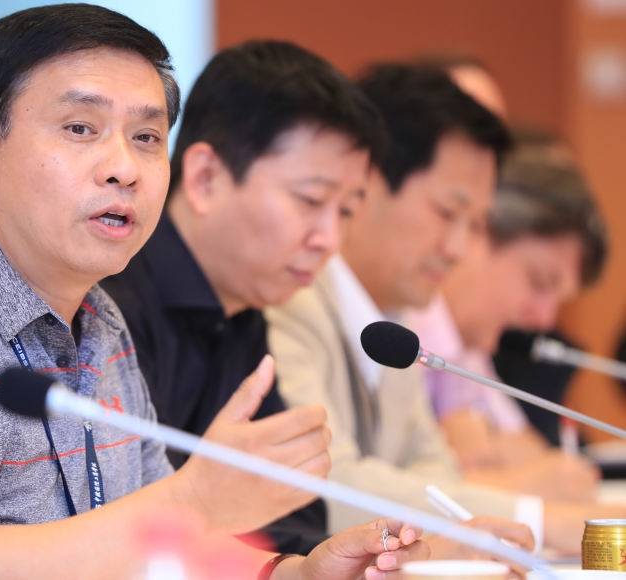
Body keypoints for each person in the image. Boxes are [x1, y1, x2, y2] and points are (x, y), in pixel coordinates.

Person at [0, 6, 436, 579]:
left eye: (146, 137)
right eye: (80, 128)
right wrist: (193, 502)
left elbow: (152, 548)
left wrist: (293, 573)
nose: (123, 168)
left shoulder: (97, 317)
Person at [266, 62, 623, 555]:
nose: (457, 248)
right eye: (447, 213)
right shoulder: (288, 299)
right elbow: (329, 485)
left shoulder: (397, 318)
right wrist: (540, 523)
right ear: (365, 183)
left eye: (473, 225)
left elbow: (435, 471)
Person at [100, 39, 382, 554]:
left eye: (345, 212)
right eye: (311, 199)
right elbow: (123, 532)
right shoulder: (105, 307)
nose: (329, 239)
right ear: (205, 178)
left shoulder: (245, 310)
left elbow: (291, 514)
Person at [410, 133, 608, 506]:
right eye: (539, 282)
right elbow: (390, 488)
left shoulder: (467, 346)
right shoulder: (406, 328)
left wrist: (492, 463)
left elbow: (536, 455)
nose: (544, 319)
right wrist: (509, 482)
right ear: (477, 232)